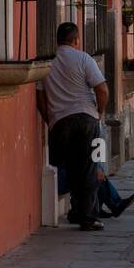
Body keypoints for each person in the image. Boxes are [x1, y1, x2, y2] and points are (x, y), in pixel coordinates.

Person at [37, 22, 109, 231]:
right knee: (90, 166)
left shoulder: (48, 61)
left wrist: (48, 119)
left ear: (57, 40)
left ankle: (77, 210)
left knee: (70, 166)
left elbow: (40, 98)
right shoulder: (83, 58)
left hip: (60, 122)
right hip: (87, 120)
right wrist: (99, 113)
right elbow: (102, 89)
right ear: (76, 40)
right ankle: (88, 217)